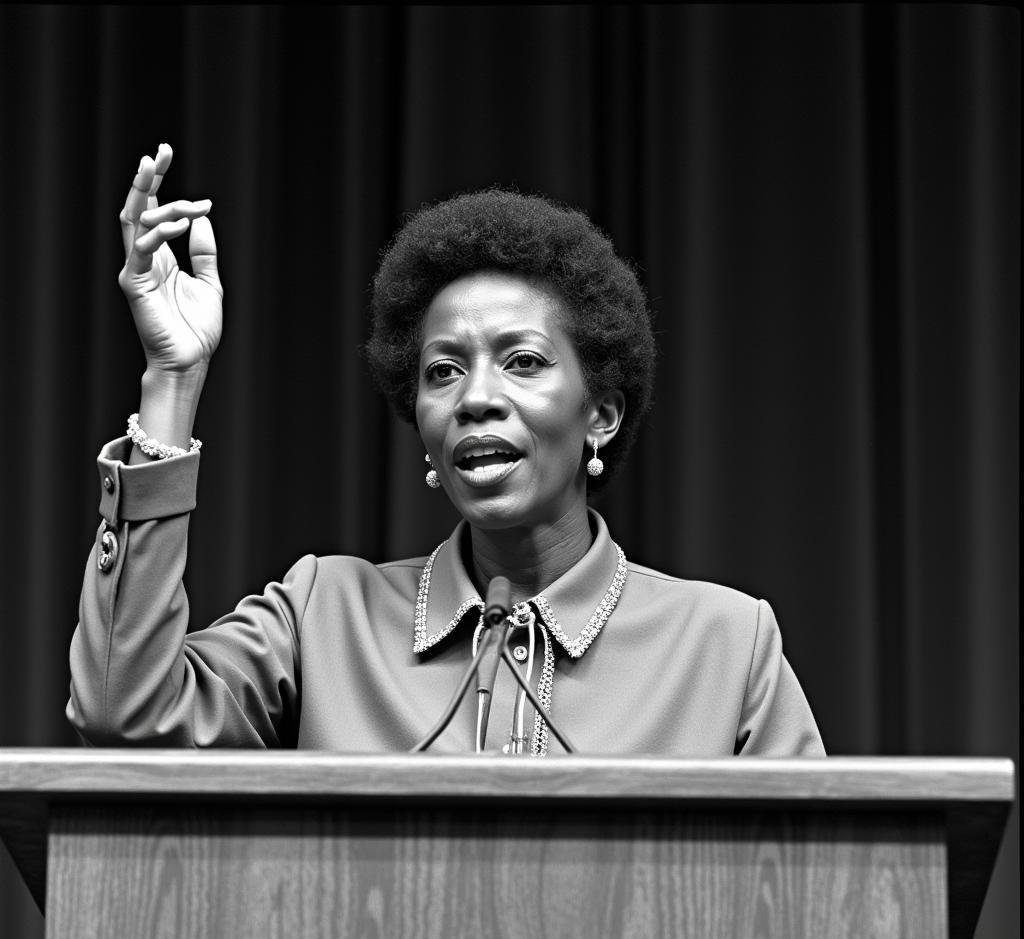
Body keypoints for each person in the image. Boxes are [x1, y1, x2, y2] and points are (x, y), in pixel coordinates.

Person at [67, 144, 825, 756]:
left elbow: (820, 896)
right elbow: (124, 714)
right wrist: (173, 379)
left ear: (601, 415)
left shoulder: (726, 642)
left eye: (522, 361)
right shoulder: (324, 614)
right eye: (443, 371)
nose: (475, 397)